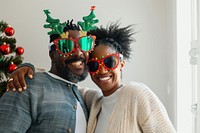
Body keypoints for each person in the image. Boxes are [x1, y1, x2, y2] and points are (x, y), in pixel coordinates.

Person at [5, 23, 176, 132]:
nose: (102, 71)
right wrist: (26, 68)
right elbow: (53, 82)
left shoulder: (137, 94)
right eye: (94, 64)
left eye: (109, 62)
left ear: (121, 63)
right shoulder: (91, 99)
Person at [0, 7, 99, 133]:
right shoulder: (25, 85)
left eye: (84, 44)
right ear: (52, 55)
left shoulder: (83, 97)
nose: (78, 52)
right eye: (66, 46)